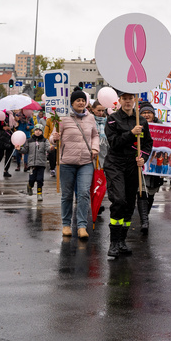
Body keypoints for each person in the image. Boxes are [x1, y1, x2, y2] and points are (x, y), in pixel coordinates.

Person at [104, 91, 152, 257]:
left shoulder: (142, 121)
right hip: (115, 164)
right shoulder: (112, 119)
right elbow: (114, 143)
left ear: (134, 100)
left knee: (130, 204)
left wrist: (143, 158)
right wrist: (131, 133)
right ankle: (113, 243)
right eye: (124, 98)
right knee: (119, 200)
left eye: (130, 98)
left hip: (132, 165)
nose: (127, 101)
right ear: (120, 101)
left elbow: (147, 144)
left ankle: (122, 242)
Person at [50, 89, 99, 240]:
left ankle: (82, 226)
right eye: (78, 100)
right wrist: (55, 138)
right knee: (67, 195)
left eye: (83, 100)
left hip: (86, 162)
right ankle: (66, 224)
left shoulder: (91, 118)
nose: (81, 103)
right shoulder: (63, 118)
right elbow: (52, 137)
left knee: (84, 193)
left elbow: (95, 135)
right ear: (72, 103)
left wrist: (95, 148)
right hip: (66, 162)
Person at [137, 104, 164, 235]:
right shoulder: (137, 125)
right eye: (144, 112)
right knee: (141, 190)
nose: (147, 115)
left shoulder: (161, 126)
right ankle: (144, 220)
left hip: (154, 166)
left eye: (149, 112)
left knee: (151, 192)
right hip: (140, 163)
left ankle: (145, 215)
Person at [20, 124, 55, 201]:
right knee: (32, 179)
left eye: (39, 130)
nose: (38, 132)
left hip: (41, 163)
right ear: (34, 131)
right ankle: (29, 186)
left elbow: (47, 148)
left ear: (42, 132)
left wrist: (51, 148)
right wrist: (19, 148)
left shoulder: (45, 140)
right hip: (32, 164)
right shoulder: (29, 140)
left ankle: (39, 194)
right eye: (36, 130)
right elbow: (25, 150)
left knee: (40, 179)